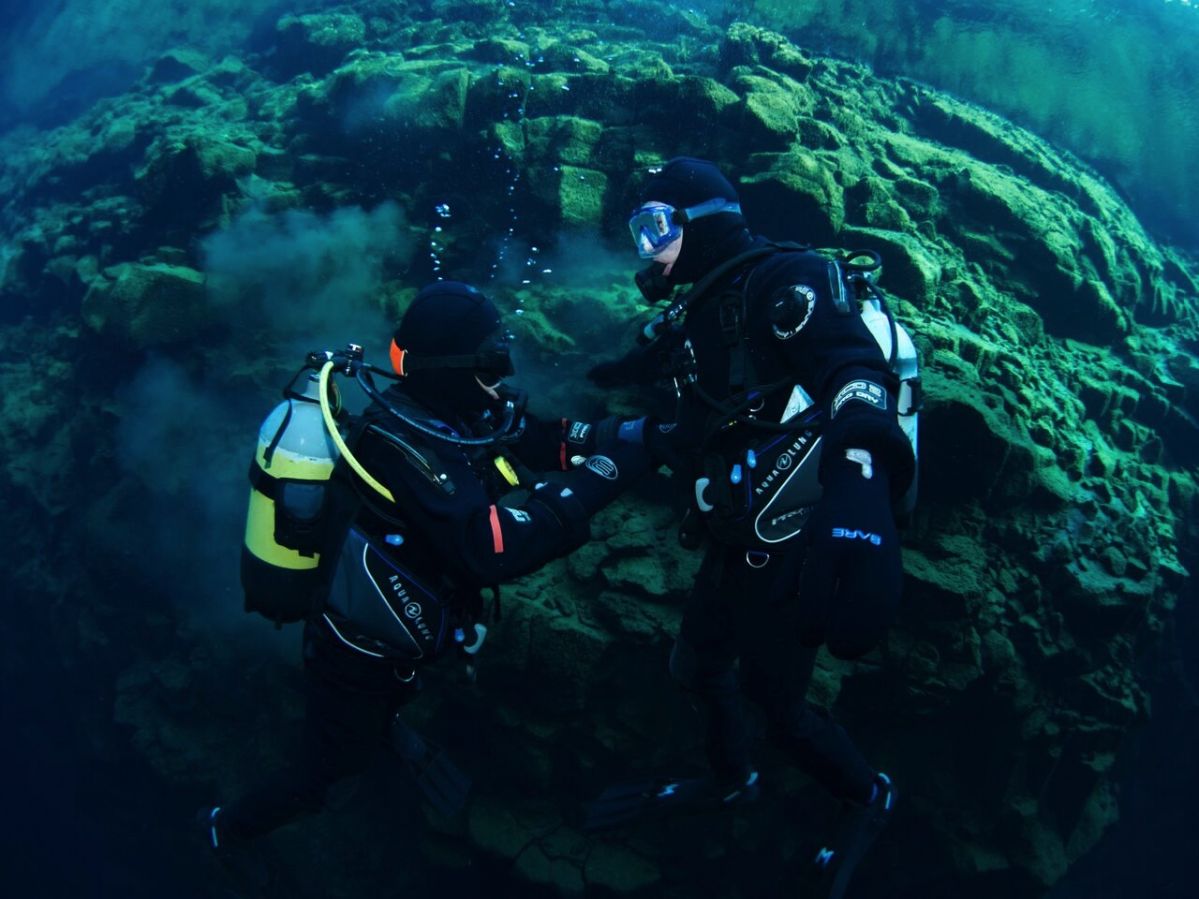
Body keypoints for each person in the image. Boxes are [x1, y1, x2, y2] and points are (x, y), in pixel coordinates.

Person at [203, 280, 650, 855]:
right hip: (355, 653)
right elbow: (491, 549)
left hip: (411, 625)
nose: (504, 374)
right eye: (493, 360)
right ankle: (226, 828)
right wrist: (606, 476)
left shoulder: (457, 410)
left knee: (389, 700)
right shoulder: (403, 444)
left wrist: (642, 436)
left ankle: (384, 724)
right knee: (329, 771)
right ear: (450, 368)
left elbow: (539, 439)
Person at [584, 158, 917, 894]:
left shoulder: (784, 279)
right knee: (695, 667)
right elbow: (692, 402)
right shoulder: (705, 303)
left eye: (657, 228)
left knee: (778, 705)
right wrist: (612, 383)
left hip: (793, 538)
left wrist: (860, 479)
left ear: (702, 222)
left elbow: (854, 370)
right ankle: (732, 779)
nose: (647, 249)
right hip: (737, 531)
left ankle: (869, 796)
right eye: (639, 232)